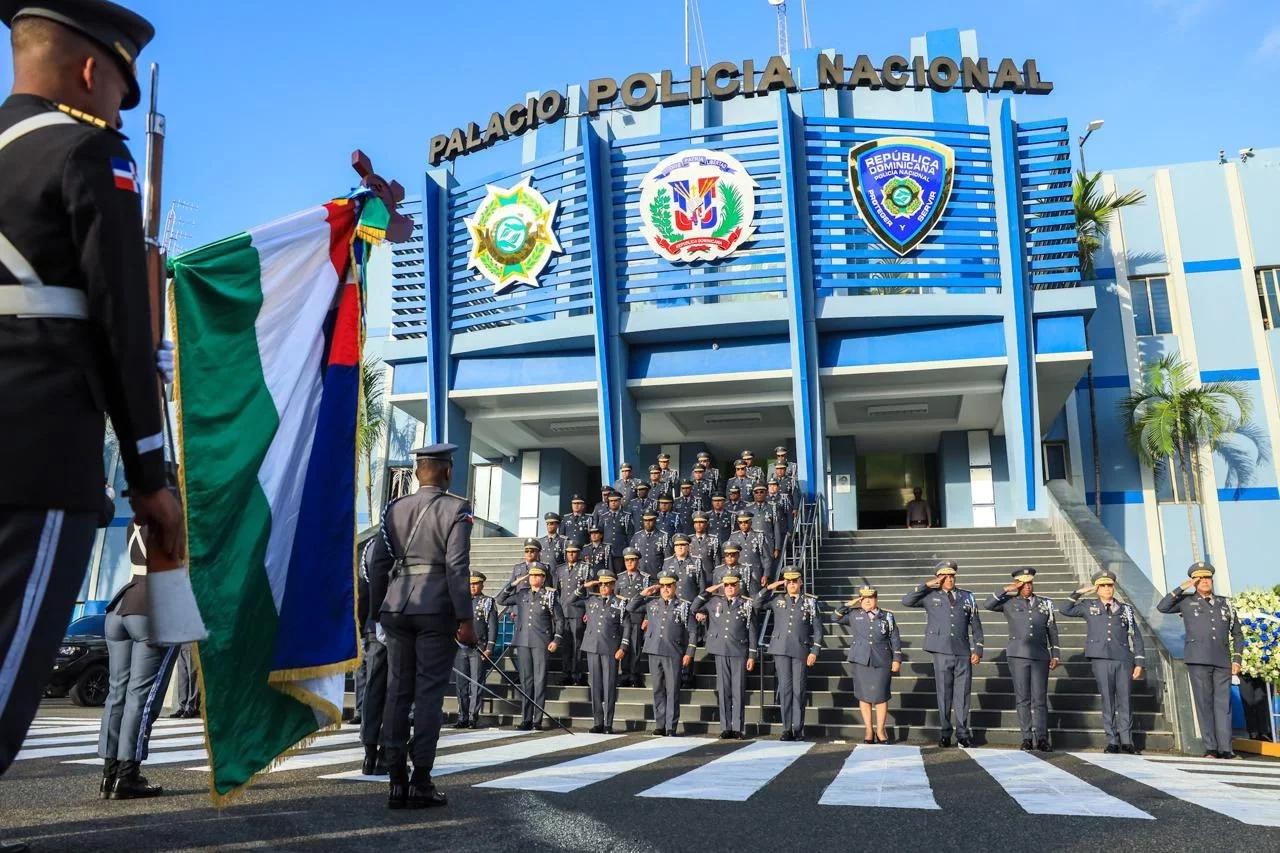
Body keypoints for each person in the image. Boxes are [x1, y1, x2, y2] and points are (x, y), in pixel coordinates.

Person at [0, 2, 187, 801]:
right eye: (119, 87)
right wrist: (152, 476)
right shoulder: (89, 153)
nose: (118, 106)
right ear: (90, 71)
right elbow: (122, 330)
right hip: (33, 459)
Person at [366, 443, 475, 810]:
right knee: (428, 693)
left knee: (397, 691)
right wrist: (466, 619)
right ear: (447, 472)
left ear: (416, 472)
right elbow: (457, 568)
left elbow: (378, 564)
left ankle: (395, 780)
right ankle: (421, 780)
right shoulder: (456, 509)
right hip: (435, 608)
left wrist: (378, 610)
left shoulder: (393, 508)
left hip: (396, 608)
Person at [95, 516, 177, 800]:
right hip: (153, 606)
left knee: (117, 693)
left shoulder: (136, 519)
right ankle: (128, 776)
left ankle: (109, 774)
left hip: (121, 605)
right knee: (141, 698)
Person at [1157, 562, 1245, 759]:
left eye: (1207, 578)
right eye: (1200, 579)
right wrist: (1183, 587)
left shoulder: (1225, 603)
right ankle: (1211, 748)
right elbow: (1162, 607)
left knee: (1223, 704)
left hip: (1222, 660)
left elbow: (1238, 634)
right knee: (1204, 704)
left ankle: (1226, 748)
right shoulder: (1186, 601)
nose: (1205, 581)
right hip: (1198, 659)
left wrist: (1237, 659)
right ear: (1194, 581)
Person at [1059, 570, 1145, 754]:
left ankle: (1127, 741)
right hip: (1100, 658)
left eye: (1110, 585)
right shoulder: (1088, 605)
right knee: (1108, 700)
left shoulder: (1125, 609)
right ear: (1097, 589)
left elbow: (1136, 636)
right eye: (1103, 586)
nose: (1107, 589)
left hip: (1122, 658)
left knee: (1125, 700)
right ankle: (1112, 741)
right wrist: (1078, 593)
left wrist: (1139, 662)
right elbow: (1064, 609)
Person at [900, 560, 984, 747]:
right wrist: (927, 584)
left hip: (962, 650)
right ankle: (945, 732)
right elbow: (906, 601)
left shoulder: (967, 596)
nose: (949, 579)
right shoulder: (930, 595)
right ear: (938, 577)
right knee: (944, 693)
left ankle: (963, 734)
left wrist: (978, 648)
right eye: (945, 576)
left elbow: (976, 624)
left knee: (962, 694)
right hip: (941, 650)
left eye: (952, 575)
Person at [985, 568, 1060, 752]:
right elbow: (988, 604)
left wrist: (1055, 653)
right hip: (1018, 655)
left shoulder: (1045, 603)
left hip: (1040, 656)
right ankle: (1026, 737)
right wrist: (1008, 588)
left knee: (1039, 698)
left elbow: (1053, 630)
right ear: (1018, 585)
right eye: (1023, 584)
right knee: (1023, 698)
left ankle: (1042, 738)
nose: (1027, 587)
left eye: (1029, 583)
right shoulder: (1009, 602)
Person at [753, 570, 823, 741]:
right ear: (785, 583)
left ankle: (798, 728)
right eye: (788, 581)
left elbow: (818, 630)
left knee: (799, 690)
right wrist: (770, 587)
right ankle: (786, 728)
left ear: (801, 582)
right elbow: (756, 603)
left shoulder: (810, 603)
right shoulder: (777, 600)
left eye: (795, 581)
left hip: (800, 649)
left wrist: (814, 651)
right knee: (785, 690)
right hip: (781, 649)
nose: (792, 584)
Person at [495, 561, 563, 731]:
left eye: (537, 575)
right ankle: (526, 718)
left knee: (540, 681)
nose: (533, 578)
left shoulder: (550, 596)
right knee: (526, 681)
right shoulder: (522, 594)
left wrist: (556, 639)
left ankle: (537, 719)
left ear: (543, 578)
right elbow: (500, 599)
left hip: (541, 642)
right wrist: (514, 583)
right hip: (523, 641)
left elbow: (559, 620)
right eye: (531, 575)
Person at [628, 572, 694, 736]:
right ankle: (660, 724)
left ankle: (671, 726)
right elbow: (630, 607)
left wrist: (689, 652)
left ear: (675, 587)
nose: (665, 589)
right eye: (663, 586)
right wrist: (644, 592)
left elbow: (693, 631)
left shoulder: (683, 606)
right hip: (654, 650)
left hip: (673, 651)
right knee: (657, 689)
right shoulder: (651, 603)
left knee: (672, 690)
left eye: (669, 586)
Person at [835, 586, 902, 745]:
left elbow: (895, 638)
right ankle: (868, 730)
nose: (867, 601)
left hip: (882, 659)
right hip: (860, 659)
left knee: (881, 696)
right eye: (864, 598)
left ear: (876, 599)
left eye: (870, 598)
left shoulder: (887, 616)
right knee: (864, 696)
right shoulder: (854, 614)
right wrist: (849, 604)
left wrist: (897, 659)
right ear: (860, 599)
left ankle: (880, 730)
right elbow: (834, 617)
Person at [692, 575, 756, 739]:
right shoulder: (714, 601)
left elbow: (752, 630)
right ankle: (726, 727)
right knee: (724, 690)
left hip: (739, 650)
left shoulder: (747, 604)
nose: (729, 587)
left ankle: (738, 727)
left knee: (738, 690)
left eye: (733, 585)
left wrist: (752, 654)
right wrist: (710, 590)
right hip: (720, 649)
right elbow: (694, 606)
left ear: (738, 586)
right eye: (726, 585)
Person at [572, 571, 630, 733]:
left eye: (607, 584)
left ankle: (608, 723)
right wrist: (585, 586)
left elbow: (627, 627)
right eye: (601, 584)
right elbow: (570, 601)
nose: (604, 587)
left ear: (613, 585)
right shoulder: (591, 599)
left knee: (609, 685)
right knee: (595, 685)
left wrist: (623, 647)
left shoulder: (620, 603)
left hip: (610, 648)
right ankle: (598, 721)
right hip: (592, 646)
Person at [452, 572, 497, 729]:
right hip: (460, 648)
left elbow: (492, 626)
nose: (472, 586)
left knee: (477, 683)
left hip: (479, 648)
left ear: (482, 585)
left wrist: (489, 648)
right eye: (470, 584)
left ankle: (473, 716)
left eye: (476, 583)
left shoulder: (487, 602)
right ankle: (462, 715)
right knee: (461, 684)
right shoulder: (460, 602)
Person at [664, 534, 704, 687]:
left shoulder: (696, 562)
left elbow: (701, 589)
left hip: (690, 609)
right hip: (671, 608)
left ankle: (687, 676)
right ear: (674, 547)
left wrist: (699, 609)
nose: (680, 547)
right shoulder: (667, 563)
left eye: (683, 545)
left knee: (688, 641)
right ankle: (673, 675)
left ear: (688, 547)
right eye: (678, 545)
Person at [554, 542, 594, 686]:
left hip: (578, 610)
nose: (571, 554)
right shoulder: (559, 569)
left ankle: (577, 673)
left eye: (574, 552)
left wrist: (589, 611)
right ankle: (566, 674)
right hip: (563, 611)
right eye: (569, 552)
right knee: (566, 645)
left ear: (579, 553)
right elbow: (556, 592)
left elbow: (590, 593)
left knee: (578, 644)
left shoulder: (585, 568)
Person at [613, 548, 652, 688]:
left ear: (638, 561)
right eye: (627, 560)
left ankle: (634, 674)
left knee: (635, 646)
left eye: (633, 560)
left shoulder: (644, 578)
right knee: (624, 646)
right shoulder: (619, 577)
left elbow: (649, 600)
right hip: (623, 617)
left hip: (637, 617)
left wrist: (647, 617)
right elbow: (614, 596)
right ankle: (624, 674)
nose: (630, 563)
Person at [728, 512, 769, 593]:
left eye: (746, 522)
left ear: (751, 522)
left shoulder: (759, 536)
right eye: (741, 522)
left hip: (755, 571)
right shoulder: (734, 536)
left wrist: (766, 574)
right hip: (738, 571)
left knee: (754, 595)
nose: (743, 524)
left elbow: (766, 557)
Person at [595, 491, 632, 576]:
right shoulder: (603, 516)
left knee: (619, 574)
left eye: (615, 501)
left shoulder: (626, 516)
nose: (613, 503)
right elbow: (600, 534)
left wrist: (628, 550)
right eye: (611, 501)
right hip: (606, 551)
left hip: (620, 550)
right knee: (607, 575)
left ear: (620, 501)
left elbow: (630, 534)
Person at [630, 511, 669, 578]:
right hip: (639, 575)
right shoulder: (637, 536)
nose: (647, 523)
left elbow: (667, 558)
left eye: (650, 520)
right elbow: (631, 556)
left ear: (655, 521)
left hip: (656, 574)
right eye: (645, 520)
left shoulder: (663, 536)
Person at [168, 643, 199, 719]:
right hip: (180, 643)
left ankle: (191, 708)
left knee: (192, 676)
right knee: (182, 678)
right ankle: (182, 707)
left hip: (192, 642)